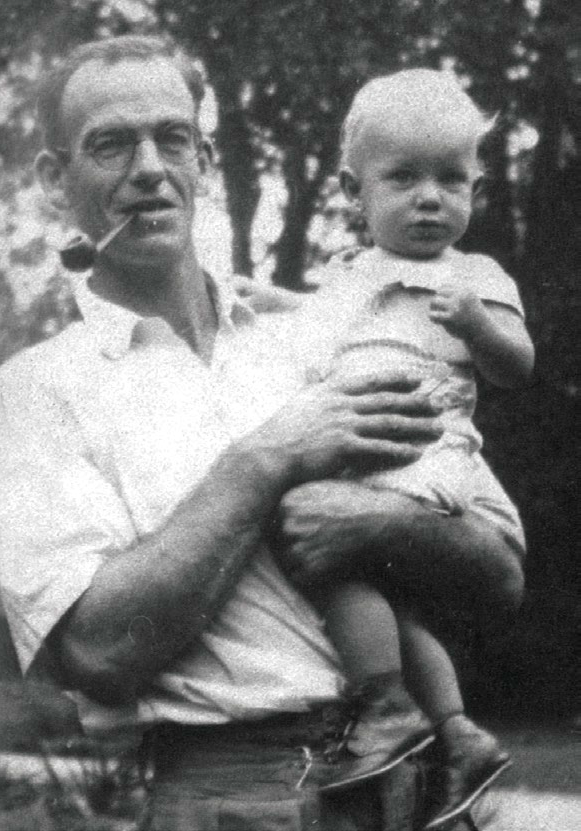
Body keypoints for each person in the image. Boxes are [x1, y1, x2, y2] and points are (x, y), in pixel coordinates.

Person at [0, 37, 525, 831]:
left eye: (172, 137)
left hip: (413, 785)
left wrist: (380, 521)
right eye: (111, 143)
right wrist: (269, 459)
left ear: (201, 156)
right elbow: (97, 652)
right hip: (235, 794)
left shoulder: (314, 335)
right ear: (56, 181)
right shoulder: (35, 392)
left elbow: (502, 569)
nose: (150, 167)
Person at [274, 69, 533, 829]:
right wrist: (274, 302)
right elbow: (329, 323)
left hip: (423, 451)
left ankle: (384, 706)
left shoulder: (471, 275)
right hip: (371, 457)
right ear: (355, 192)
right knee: (388, 607)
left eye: (452, 180)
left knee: (330, 555)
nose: (430, 197)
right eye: (405, 178)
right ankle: (456, 731)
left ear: (477, 193)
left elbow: (517, 363)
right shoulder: (350, 274)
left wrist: (478, 327)